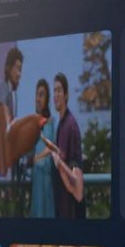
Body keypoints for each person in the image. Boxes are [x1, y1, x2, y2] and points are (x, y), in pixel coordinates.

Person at [47, 73, 85, 219]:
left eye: (59, 90)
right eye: (54, 91)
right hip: (61, 202)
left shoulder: (71, 125)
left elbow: (75, 169)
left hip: (70, 207)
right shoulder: (61, 124)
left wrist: (58, 161)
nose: (56, 95)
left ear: (66, 94)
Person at [29, 79, 56, 218]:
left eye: (42, 95)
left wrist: (36, 159)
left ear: (47, 99)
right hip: (36, 182)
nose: (38, 99)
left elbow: (50, 150)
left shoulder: (50, 123)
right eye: (37, 95)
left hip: (46, 181)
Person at [0, 47, 23, 124]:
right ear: (8, 68)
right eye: (17, 68)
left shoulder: (14, 94)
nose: (19, 74)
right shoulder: (2, 89)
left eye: (20, 70)